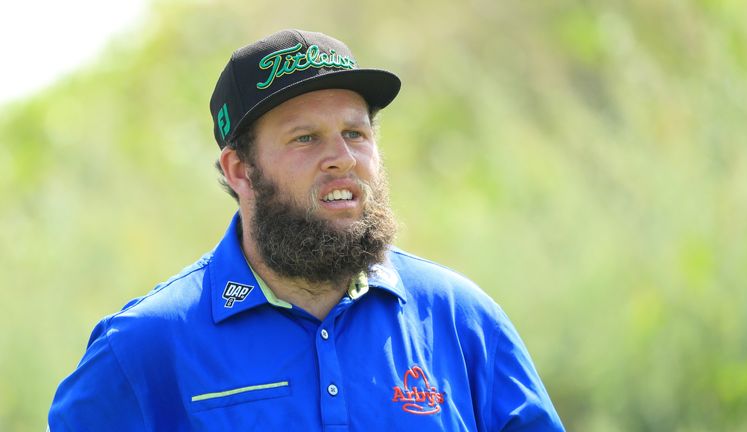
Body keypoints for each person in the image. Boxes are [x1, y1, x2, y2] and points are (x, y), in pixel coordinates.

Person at [48, 29, 565, 431]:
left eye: (355, 133)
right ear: (239, 170)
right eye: (305, 138)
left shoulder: (462, 319)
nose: (341, 158)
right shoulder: (145, 345)